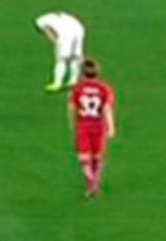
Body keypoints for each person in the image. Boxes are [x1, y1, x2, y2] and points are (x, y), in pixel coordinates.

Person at [68, 58, 116, 198]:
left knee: (84, 157)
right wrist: (111, 126)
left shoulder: (78, 89)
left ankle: (91, 183)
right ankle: (96, 182)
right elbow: (107, 108)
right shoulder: (104, 88)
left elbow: (72, 108)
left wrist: (72, 124)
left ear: (82, 73)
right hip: (99, 126)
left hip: (83, 125)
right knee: (98, 157)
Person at [35, 11, 86, 92]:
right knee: (75, 56)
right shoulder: (51, 17)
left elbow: (50, 34)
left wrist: (58, 44)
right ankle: (74, 80)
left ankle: (57, 83)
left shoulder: (39, 22)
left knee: (61, 59)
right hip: (79, 27)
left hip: (66, 32)